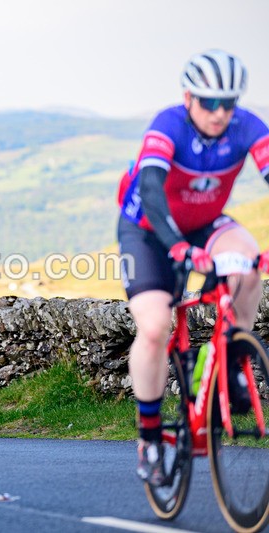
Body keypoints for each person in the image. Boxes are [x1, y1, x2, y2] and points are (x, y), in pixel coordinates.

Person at [117, 49, 269, 485]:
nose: (220, 113)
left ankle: (231, 363)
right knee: (154, 326)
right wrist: (179, 247)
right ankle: (149, 437)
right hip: (148, 229)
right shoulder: (168, 125)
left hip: (204, 223)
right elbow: (151, 189)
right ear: (188, 98)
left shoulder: (247, 127)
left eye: (229, 103)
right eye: (209, 102)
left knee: (248, 268)